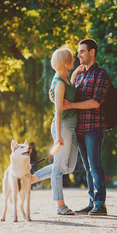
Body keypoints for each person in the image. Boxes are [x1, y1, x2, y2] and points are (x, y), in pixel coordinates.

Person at [63, 38, 110, 215]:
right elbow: (72, 95)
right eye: (78, 51)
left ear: (92, 52)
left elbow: (95, 102)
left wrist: (71, 105)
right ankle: (92, 202)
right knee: (87, 166)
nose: (78, 54)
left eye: (82, 51)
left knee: (95, 165)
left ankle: (100, 203)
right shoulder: (80, 74)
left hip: (94, 126)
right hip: (80, 127)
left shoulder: (101, 74)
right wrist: (73, 77)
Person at [31, 48, 79, 215]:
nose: (74, 59)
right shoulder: (59, 82)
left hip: (72, 127)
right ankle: (61, 206)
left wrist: (75, 73)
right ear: (65, 62)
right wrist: (58, 136)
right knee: (59, 168)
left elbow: (70, 88)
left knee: (69, 167)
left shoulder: (64, 79)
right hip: (63, 126)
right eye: (72, 58)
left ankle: (31, 179)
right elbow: (58, 111)